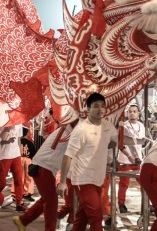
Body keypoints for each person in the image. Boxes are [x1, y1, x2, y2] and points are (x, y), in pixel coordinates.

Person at [56, 92, 118, 231]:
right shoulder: (81, 129)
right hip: (82, 179)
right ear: (88, 109)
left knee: (82, 217)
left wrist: (108, 145)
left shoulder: (108, 126)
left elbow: (114, 139)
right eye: (96, 106)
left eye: (102, 106)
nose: (100, 109)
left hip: (98, 178)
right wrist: (62, 182)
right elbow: (68, 156)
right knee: (96, 216)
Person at [13, 119, 75, 231]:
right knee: (51, 202)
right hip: (44, 167)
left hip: (45, 167)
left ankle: (23, 220)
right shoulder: (68, 132)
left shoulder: (67, 130)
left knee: (46, 199)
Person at [117, 104, 146, 214]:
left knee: (143, 182)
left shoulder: (141, 126)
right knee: (124, 183)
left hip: (138, 159)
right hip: (125, 159)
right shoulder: (123, 126)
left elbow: (140, 143)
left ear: (138, 113)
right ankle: (121, 204)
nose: (132, 113)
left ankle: (147, 203)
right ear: (127, 113)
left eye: (134, 111)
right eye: (130, 111)